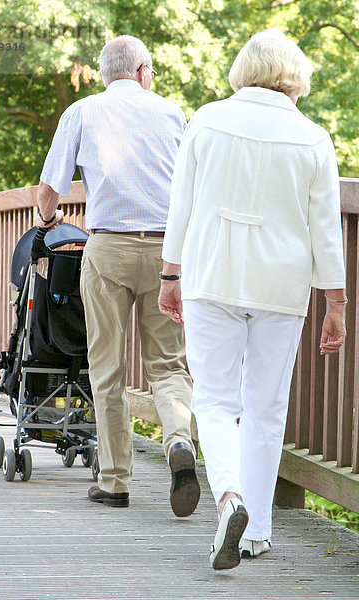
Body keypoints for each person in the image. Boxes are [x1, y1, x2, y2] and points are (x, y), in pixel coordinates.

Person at [159, 29, 346, 569]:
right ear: (295, 77)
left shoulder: (206, 120)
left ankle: (229, 499)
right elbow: (326, 232)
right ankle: (257, 530)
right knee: (266, 407)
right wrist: (336, 304)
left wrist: (170, 276)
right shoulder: (313, 138)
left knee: (215, 400)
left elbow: (181, 207)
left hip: (211, 277)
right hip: (281, 288)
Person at [36, 35, 200, 517]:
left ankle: (114, 482)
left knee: (106, 369)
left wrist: (47, 225)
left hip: (107, 247)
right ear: (143, 70)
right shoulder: (172, 113)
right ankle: (179, 442)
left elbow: (51, 187)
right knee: (169, 366)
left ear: (106, 74)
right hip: (168, 254)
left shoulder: (83, 112)